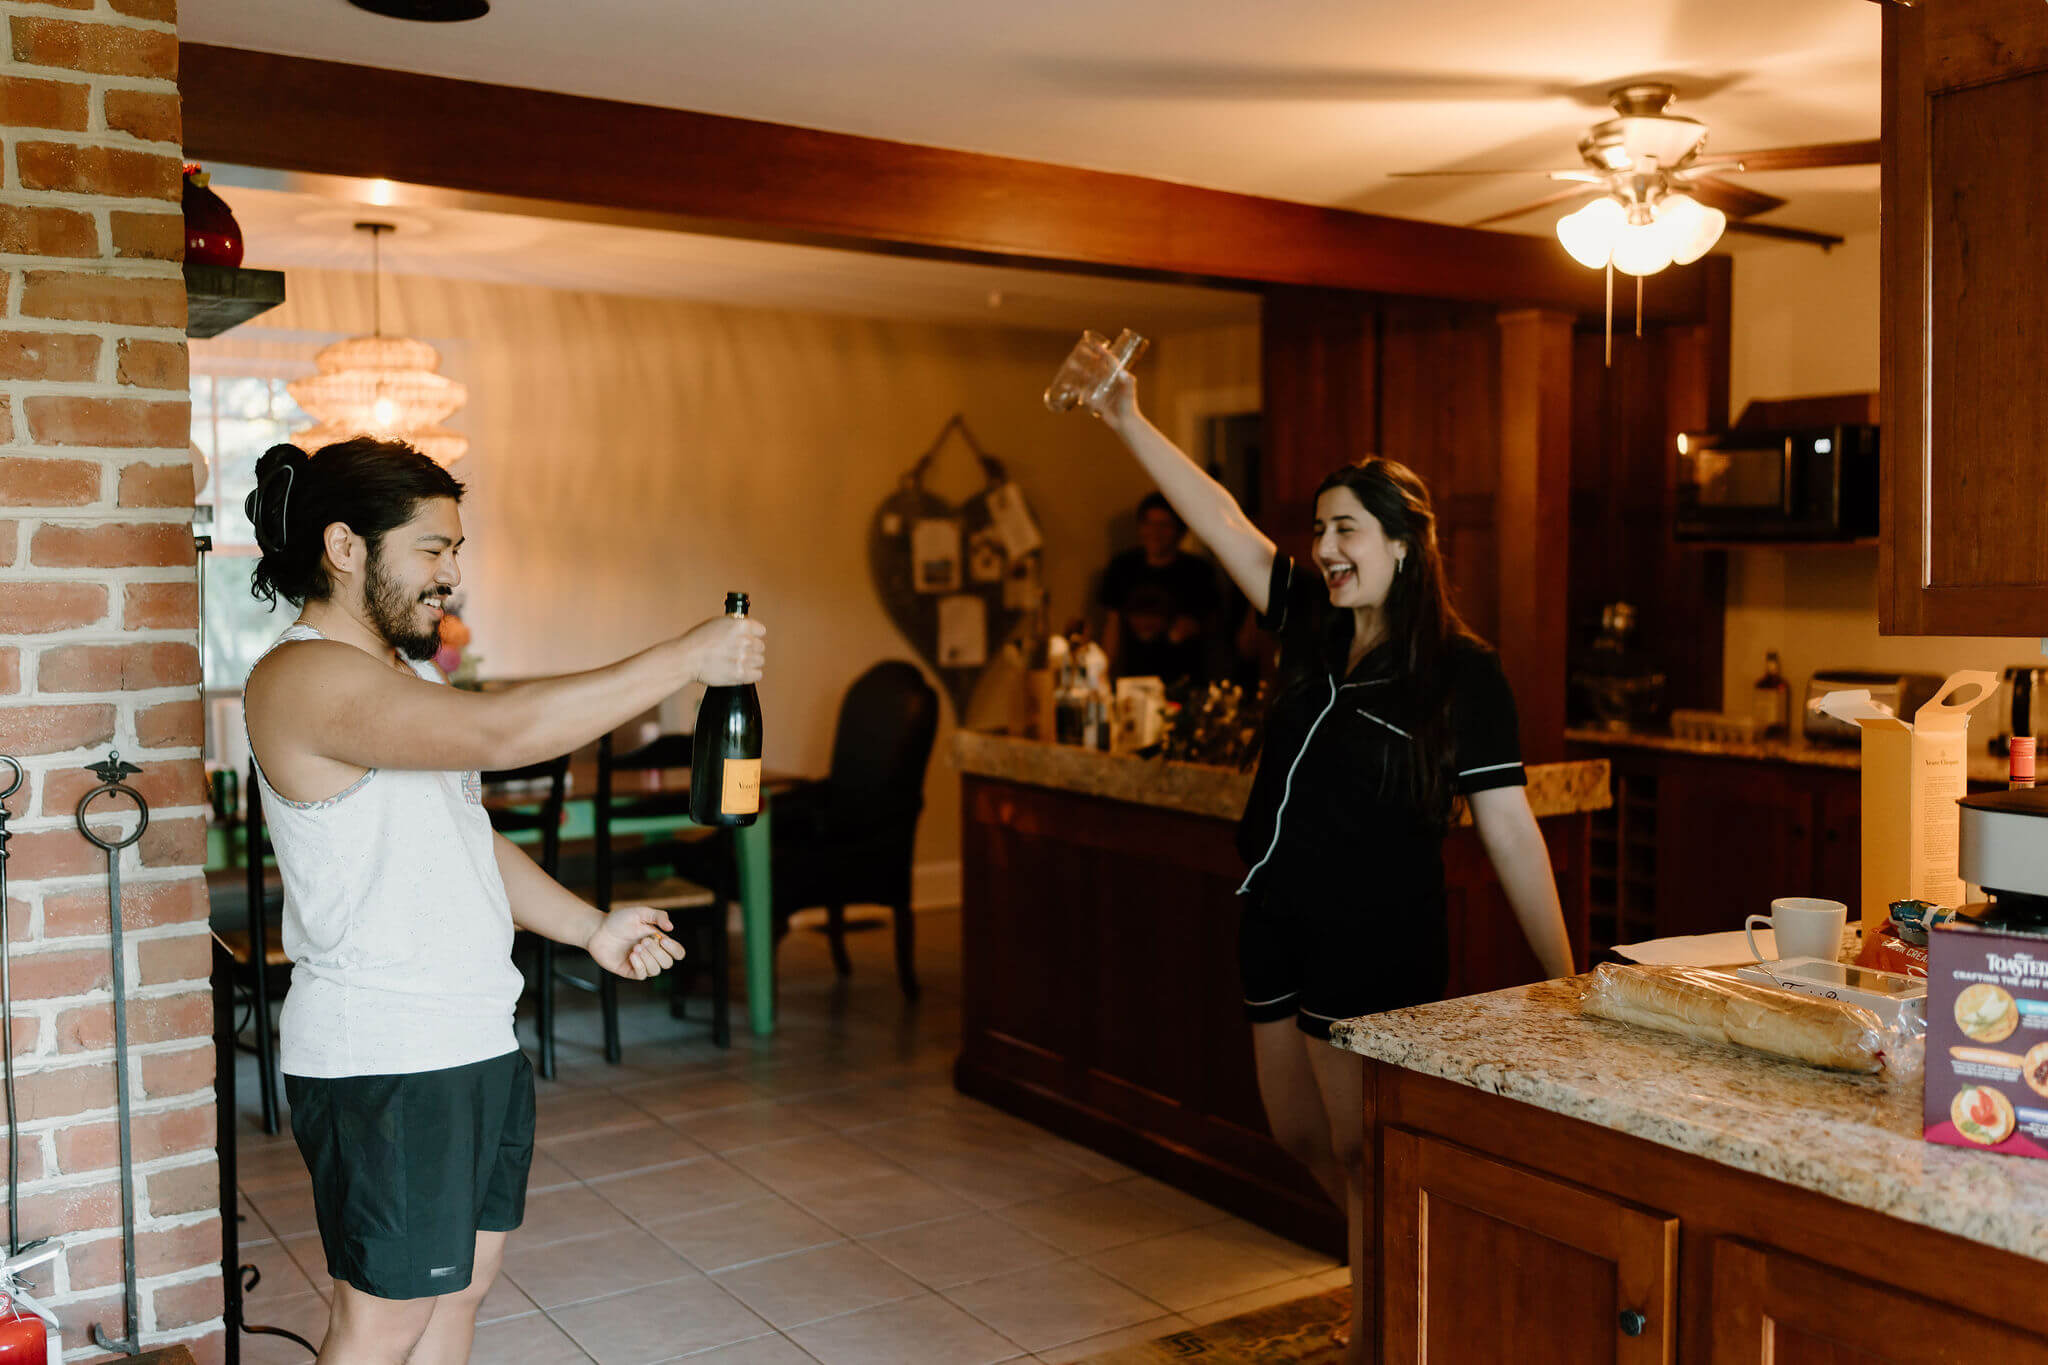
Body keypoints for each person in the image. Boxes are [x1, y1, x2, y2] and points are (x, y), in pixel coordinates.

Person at [237, 437, 766, 1365]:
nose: (451, 575)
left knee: (461, 1300)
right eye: (432, 549)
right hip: (387, 1057)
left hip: (472, 1037)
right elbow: (509, 729)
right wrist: (687, 658)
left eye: (456, 551)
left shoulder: (408, 678)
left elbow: (464, 842)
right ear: (346, 546)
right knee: (383, 1319)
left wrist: (590, 926)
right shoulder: (301, 677)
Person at [1086, 360, 1573, 1363]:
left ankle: (1377, 1331)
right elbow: (1218, 519)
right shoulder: (1309, 625)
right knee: (1299, 1135)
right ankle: (1388, 1275)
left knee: (1363, 1148)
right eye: (1318, 529)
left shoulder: (1460, 675)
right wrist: (1127, 419)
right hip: (1274, 913)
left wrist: (1564, 977)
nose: (1324, 547)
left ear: (1402, 542)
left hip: (1375, 933)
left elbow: (1510, 829)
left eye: (1344, 528)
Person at [1096, 492, 1220, 686]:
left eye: (1164, 525)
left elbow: (1211, 629)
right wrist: (1102, 675)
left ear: (1180, 530)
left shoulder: (1197, 572)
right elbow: (1113, 626)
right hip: (1134, 680)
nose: (1154, 532)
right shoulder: (1123, 567)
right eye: (1148, 523)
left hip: (1184, 682)